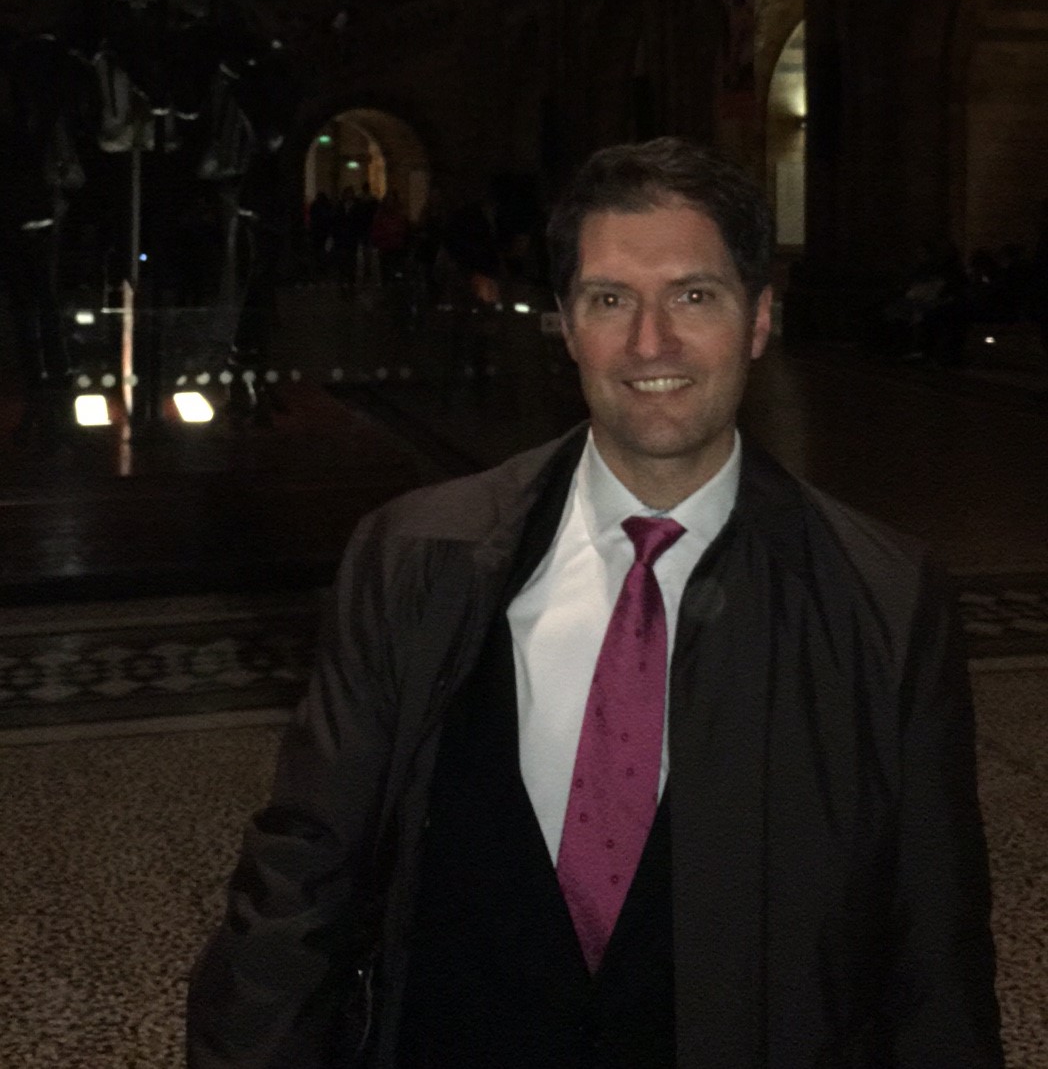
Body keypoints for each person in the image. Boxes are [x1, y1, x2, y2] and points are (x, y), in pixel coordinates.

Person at [186, 138, 1003, 1069]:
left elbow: (933, 952)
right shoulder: (416, 561)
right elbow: (302, 877)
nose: (650, 343)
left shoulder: (884, 601)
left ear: (759, 319)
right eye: (611, 300)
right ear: (568, 326)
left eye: (693, 296)